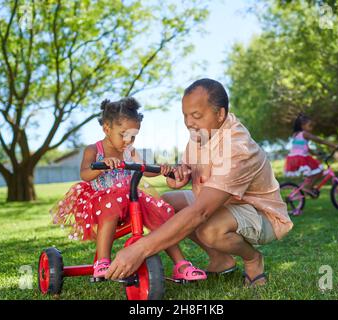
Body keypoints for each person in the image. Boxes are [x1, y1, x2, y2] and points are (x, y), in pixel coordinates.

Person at [105, 79, 293, 288]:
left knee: (209, 229)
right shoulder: (200, 133)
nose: (188, 122)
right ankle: (221, 260)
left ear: (220, 114)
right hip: (226, 203)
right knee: (166, 203)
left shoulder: (237, 147)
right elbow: (186, 171)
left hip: (261, 213)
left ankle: (252, 259)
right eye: (185, 115)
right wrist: (179, 175)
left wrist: (140, 249)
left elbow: (200, 212)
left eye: (196, 115)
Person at [50, 97, 206, 281]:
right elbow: (85, 173)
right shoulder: (93, 150)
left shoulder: (130, 151)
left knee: (160, 217)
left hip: (129, 200)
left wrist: (160, 170)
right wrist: (102, 166)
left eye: (133, 136)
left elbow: (144, 169)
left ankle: (181, 264)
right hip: (101, 202)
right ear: (107, 129)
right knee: (110, 207)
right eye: (123, 134)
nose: (128, 140)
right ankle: (102, 261)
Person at [284, 113, 338, 197]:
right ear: (302, 126)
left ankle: (307, 188)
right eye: (309, 126)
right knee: (319, 171)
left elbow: (304, 147)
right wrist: (333, 145)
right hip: (301, 158)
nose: (311, 128)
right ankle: (308, 188)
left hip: (293, 158)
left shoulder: (295, 135)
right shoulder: (305, 134)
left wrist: (315, 153)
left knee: (312, 173)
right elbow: (319, 140)